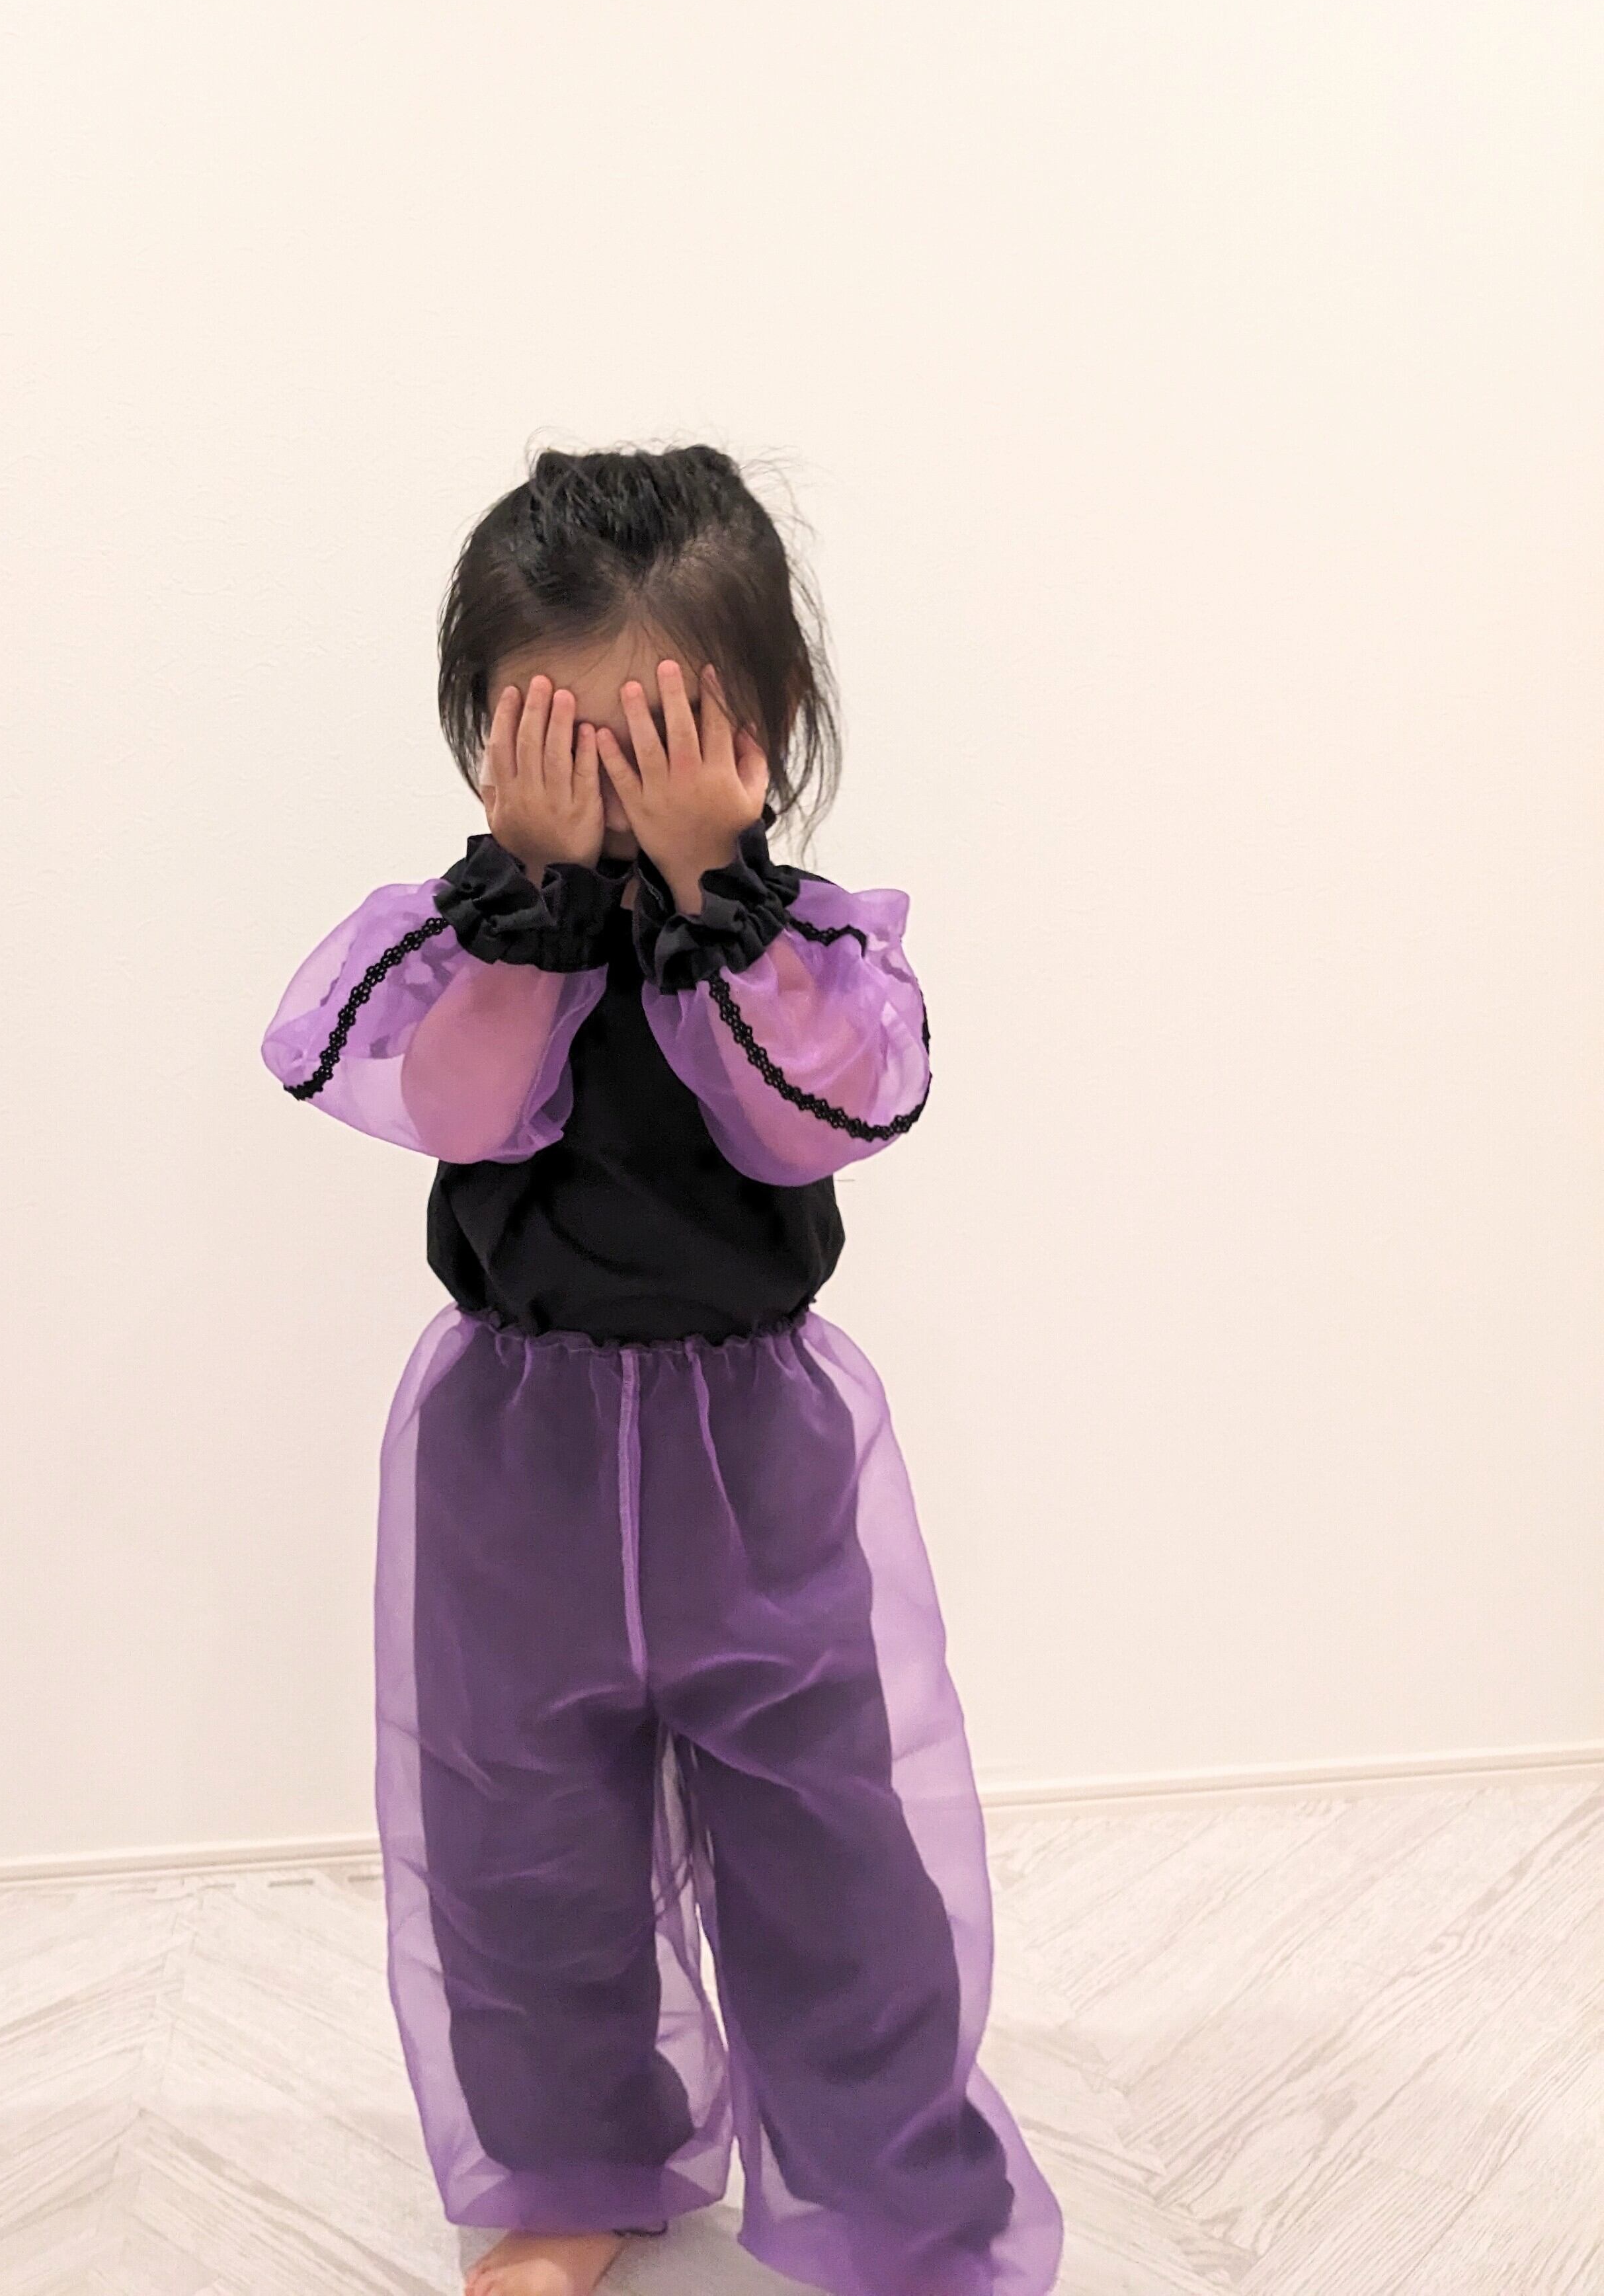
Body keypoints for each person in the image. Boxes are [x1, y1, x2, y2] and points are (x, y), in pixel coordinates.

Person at [261, 445, 1064, 2296]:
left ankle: (892, 2191)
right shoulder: (459, 942)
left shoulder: (809, 946)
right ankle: (572, 2162)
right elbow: (458, 1106)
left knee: (830, 1843)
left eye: (661, 738)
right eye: (561, 738)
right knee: (519, 1841)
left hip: (749, 1440)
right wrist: (533, 911)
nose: (611, 789)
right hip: (513, 1443)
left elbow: (814, 1121)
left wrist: (714, 890)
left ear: (763, 724)